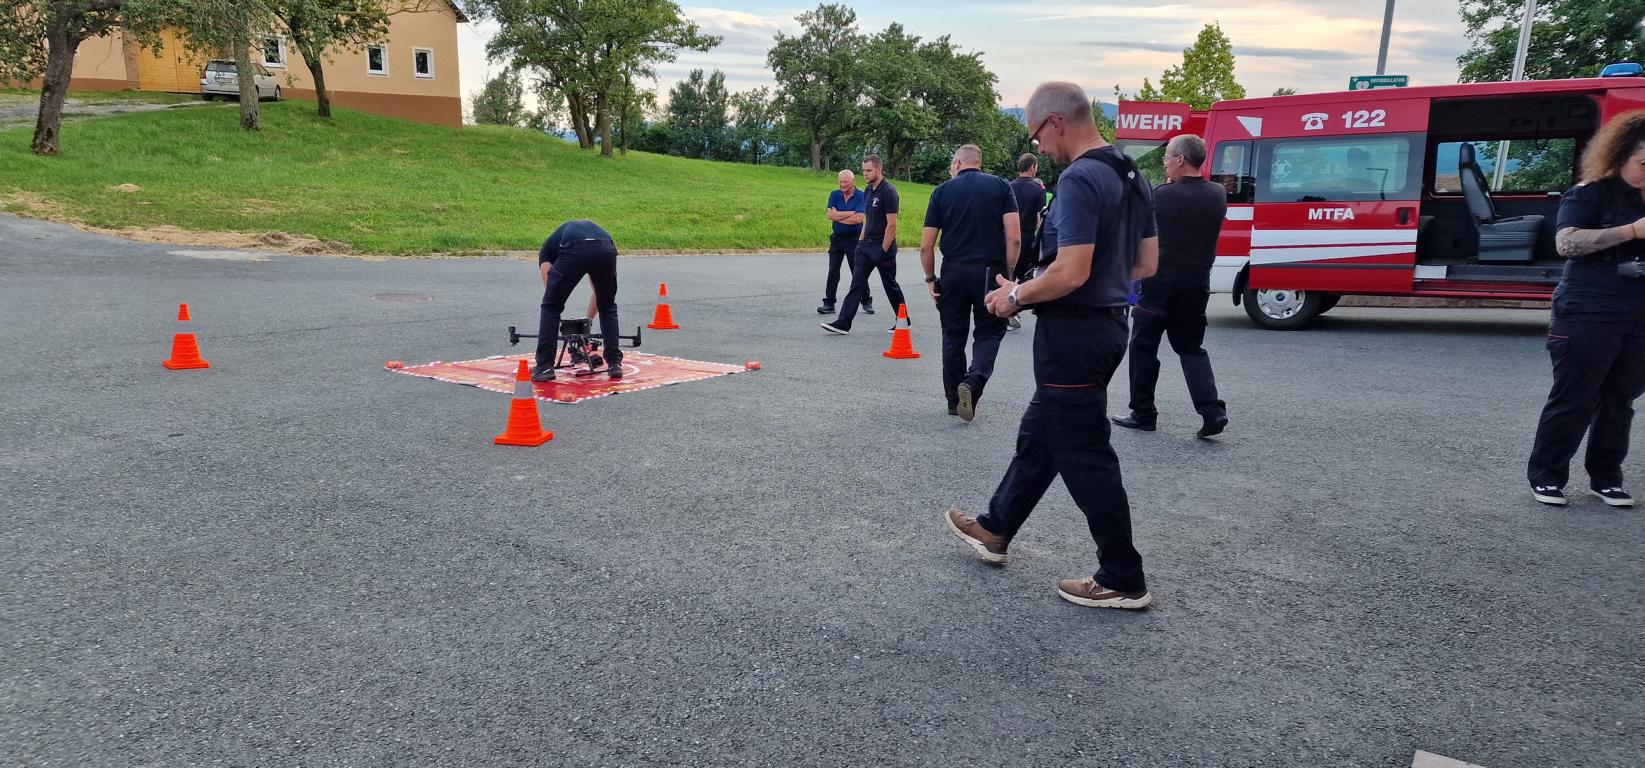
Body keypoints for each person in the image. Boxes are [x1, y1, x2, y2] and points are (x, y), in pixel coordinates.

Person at [942, 81, 1160, 610]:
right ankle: (996, 527)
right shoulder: (1131, 174)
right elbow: (1145, 263)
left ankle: (1122, 576)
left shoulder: (1081, 177)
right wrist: (1058, 282)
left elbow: (1071, 271)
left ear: (1055, 121)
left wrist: (1015, 296)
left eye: (1036, 134)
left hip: (1074, 334)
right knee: (1041, 432)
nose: (1037, 145)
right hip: (1108, 325)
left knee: (1085, 454)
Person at [1526, 110, 1645, 508]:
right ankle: (1547, 476)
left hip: (1639, 314)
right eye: (1643, 163)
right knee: (1575, 396)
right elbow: (1567, 243)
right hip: (1587, 309)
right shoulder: (1590, 193)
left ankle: (1606, 478)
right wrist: (1632, 230)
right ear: (1621, 157)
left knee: (1620, 400)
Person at [1112, 133, 1230, 438]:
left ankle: (1143, 412)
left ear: (1180, 160)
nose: (1165, 164)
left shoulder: (1161, 195)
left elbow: (1137, 229)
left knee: (1143, 347)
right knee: (1191, 348)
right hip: (1196, 285)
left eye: (1167, 158)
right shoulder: (1217, 193)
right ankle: (1212, 411)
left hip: (1159, 284)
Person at [920, 144, 1020, 420]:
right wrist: (1009, 277)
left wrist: (931, 278)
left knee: (953, 336)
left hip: (953, 270)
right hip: (990, 272)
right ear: (979, 162)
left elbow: (926, 246)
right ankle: (973, 381)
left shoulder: (941, 191)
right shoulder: (1001, 186)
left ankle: (954, 401)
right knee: (989, 332)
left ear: (957, 164)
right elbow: (1014, 238)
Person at [822, 155, 908, 335]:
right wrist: (861, 241)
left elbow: (892, 225)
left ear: (879, 169)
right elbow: (867, 219)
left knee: (890, 285)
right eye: (863, 170)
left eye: (868, 170)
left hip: (882, 247)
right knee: (857, 284)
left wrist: (883, 249)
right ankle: (843, 323)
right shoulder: (868, 191)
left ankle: (903, 319)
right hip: (865, 246)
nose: (865, 174)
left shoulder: (888, 192)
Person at [533, 219, 623, 382]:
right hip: (606, 247)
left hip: (576, 247)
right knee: (608, 306)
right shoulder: (585, 234)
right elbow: (599, 292)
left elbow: (551, 293)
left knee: (551, 306)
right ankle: (614, 364)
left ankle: (544, 367)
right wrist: (587, 321)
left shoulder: (545, 253)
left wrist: (559, 309)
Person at [820, 170, 873, 316]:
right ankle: (829, 303)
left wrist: (838, 215)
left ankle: (866, 300)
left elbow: (859, 219)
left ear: (853, 181)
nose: (842, 185)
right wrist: (850, 212)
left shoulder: (861, 195)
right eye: (840, 182)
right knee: (833, 270)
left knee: (857, 271)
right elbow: (829, 214)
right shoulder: (834, 194)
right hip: (837, 239)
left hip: (854, 239)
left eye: (846, 182)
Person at [1008, 153, 1047, 332]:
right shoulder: (1038, 190)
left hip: (1008, 235)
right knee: (1025, 275)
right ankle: (1014, 306)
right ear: (1033, 167)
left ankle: (1004, 308)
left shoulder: (1009, 186)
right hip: (1027, 236)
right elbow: (1040, 218)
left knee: (1008, 272)